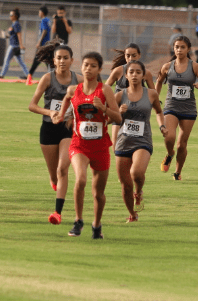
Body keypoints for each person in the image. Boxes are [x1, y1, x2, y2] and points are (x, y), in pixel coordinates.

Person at [53, 52, 121, 239]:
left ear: (99, 69)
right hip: (79, 145)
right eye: (85, 65)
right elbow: (65, 102)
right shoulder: (73, 90)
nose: (88, 69)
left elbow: (118, 118)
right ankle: (78, 221)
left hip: (100, 147)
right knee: (81, 179)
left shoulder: (105, 90)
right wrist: (59, 115)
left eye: (92, 66)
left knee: (98, 193)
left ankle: (97, 225)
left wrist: (104, 108)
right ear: (81, 67)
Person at [27, 40, 81, 225]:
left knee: (62, 168)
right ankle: (53, 181)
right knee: (54, 174)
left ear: (72, 60)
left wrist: (75, 116)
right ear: (54, 60)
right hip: (49, 128)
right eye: (59, 58)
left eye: (66, 58)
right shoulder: (47, 79)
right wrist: (50, 112)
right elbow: (32, 106)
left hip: (68, 129)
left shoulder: (79, 80)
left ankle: (57, 212)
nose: (62, 61)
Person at [114, 60, 165, 223]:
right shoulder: (119, 96)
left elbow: (158, 111)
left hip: (143, 140)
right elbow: (109, 119)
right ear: (126, 75)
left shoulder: (151, 94)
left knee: (136, 173)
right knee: (124, 184)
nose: (134, 75)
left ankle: (139, 190)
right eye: (131, 72)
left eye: (138, 72)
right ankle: (132, 214)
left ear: (143, 75)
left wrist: (162, 126)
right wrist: (118, 112)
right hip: (123, 141)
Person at [155, 35, 198, 180]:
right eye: (177, 47)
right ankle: (170, 154)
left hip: (188, 109)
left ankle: (177, 172)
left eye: (182, 47)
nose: (179, 50)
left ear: (188, 49)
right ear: (173, 49)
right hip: (171, 106)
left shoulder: (194, 66)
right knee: (169, 136)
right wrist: (155, 97)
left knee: (181, 144)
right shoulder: (167, 66)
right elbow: (159, 81)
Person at [104, 43, 155, 145]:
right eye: (128, 56)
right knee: (116, 143)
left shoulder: (146, 73)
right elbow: (104, 88)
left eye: (134, 55)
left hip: (137, 113)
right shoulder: (118, 71)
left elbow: (153, 93)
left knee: (136, 142)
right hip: (119, 111)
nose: (131, 58)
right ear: (125, 56)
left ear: (139, 55)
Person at [0, 8, 29, 79]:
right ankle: (28, 75)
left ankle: (1, 75)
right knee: (20, 61)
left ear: (16, 16)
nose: (10, 16)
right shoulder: (13, 24)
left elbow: (19, 34)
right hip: (14, 45)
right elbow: (11, 35)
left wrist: (21, 45)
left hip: (13, 45)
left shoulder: (16, 24)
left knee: (6, 60)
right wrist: (6, 35)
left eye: (11, 15)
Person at [26, 6, 52, 85]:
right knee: (44, 60)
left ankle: (29, 75)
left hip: (43, 44)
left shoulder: (44, 20)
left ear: (42, 12)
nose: (39, 13)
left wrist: (39, 42)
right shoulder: (48, 20)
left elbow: (44, 31)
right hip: (46, 43)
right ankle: (30, 75)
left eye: (39, 12)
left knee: (38, 59)